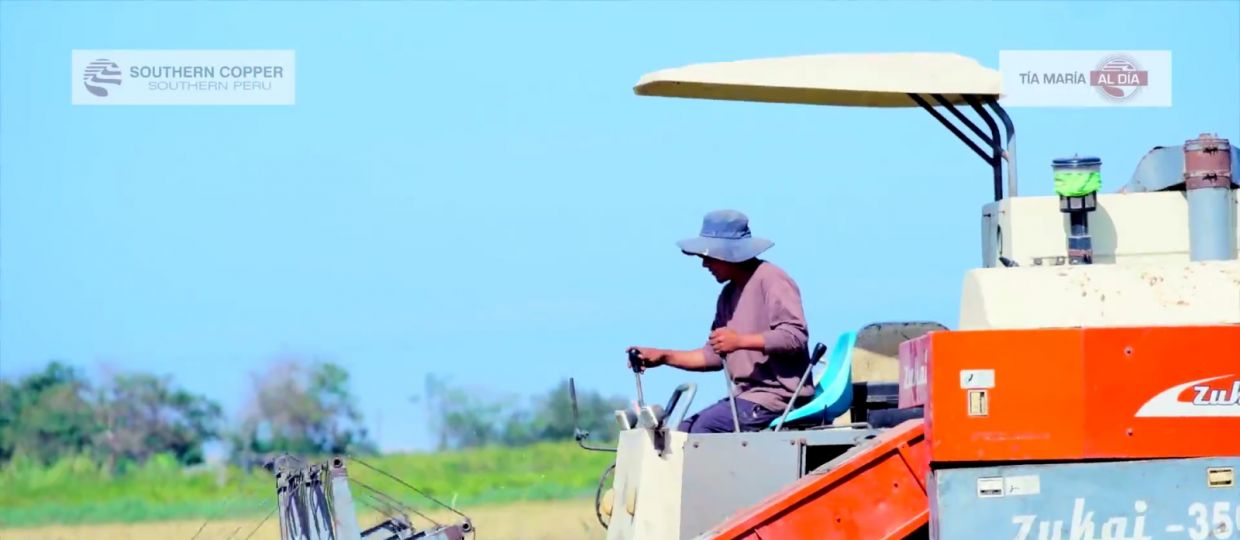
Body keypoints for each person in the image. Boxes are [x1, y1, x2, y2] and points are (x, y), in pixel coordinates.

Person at [629, 209, 814, 433]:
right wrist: (663, 356)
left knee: (699, 433)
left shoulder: (771, 278)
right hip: (746, 398)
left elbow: (795, 336)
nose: (704, 265)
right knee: (681, 431)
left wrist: (740, 341)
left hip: (776, 399)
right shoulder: (728, 295)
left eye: (709, 257)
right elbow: (713, 356)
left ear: (729, 254)